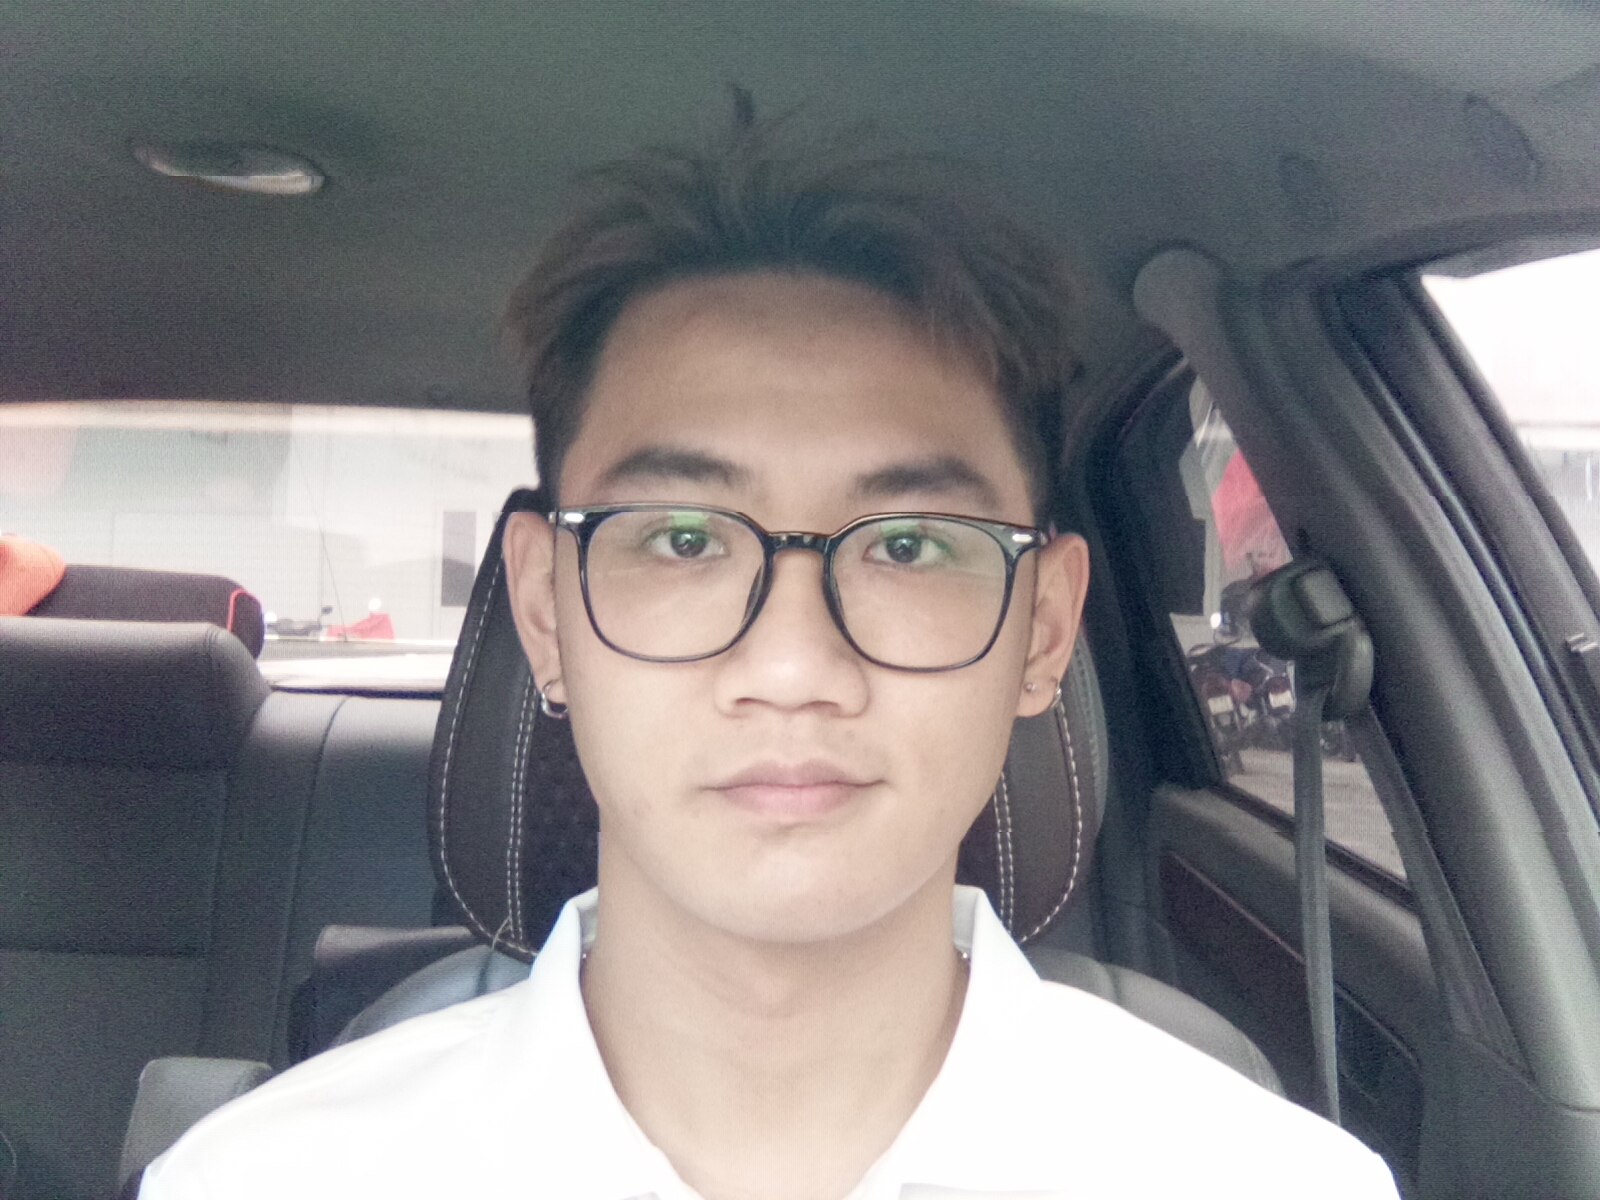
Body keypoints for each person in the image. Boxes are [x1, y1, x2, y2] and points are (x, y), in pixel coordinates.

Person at [140, 119, 1398, 1200]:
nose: (793, 668)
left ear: (1042, 630)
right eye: (682, 538)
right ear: (544, 612)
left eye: (908, 544)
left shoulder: (1273, 1184)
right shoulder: (261, 1181)